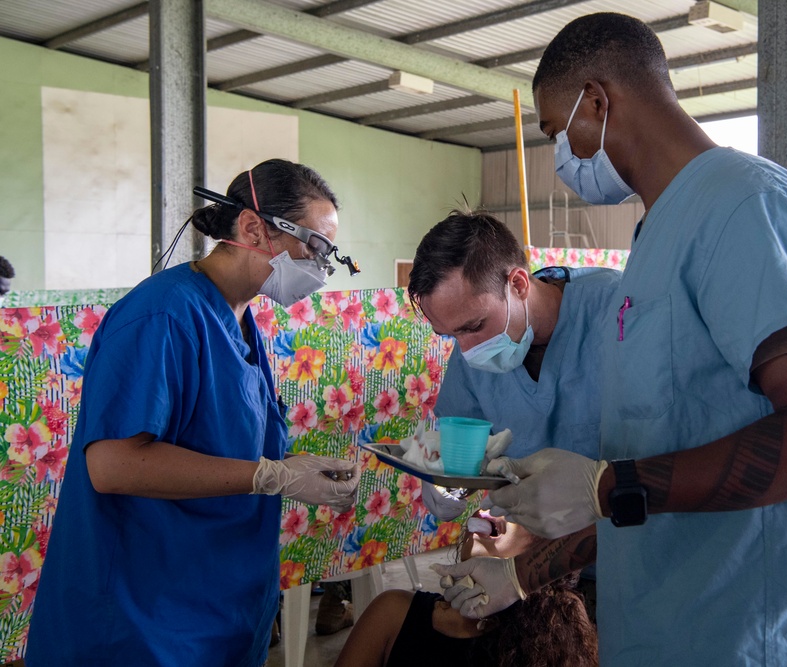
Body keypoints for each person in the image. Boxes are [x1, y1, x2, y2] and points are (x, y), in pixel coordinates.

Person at [435, 13, 787, 666]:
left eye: (557, 132)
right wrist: (527, 572)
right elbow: (657, 489)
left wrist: (605, 485)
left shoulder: (744, 209)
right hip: (669, 631)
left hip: (754, 639)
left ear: (597, 100)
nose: (561, 158)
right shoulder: (653, 241)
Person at [26, 159, 361, 667]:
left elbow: (222, 441)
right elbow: (113, 465)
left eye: (328, 254)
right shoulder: (163, 314)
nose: (320, 266)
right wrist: (271, 476)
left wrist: (294, 468)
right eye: (313, 247)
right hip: (141, 622)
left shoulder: (242, 318)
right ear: (253, 228)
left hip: (216, 606)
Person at [407, 210, 620, 618]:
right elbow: (464, 449)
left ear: (518, 284)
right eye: (451, 335)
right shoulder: (472, 355)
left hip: (629, 554)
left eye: (474, 326)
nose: (466, 350)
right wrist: (450, 482)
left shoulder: (615, 312)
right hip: (537, 567)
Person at [333, 513, 598, 667]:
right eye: (488, 490)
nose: (488, 507)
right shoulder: (392, 613)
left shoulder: (560, 629)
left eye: (516, 503)